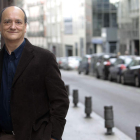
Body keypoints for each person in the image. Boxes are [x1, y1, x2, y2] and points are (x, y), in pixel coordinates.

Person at [0, 6, 69, 140]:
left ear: (25, 27)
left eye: (18, 22)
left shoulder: (45, 58)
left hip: (35, 136)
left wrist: (53, 136)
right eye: (7, 22)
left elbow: (60, 101)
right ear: (1, 26)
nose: (13, 26)